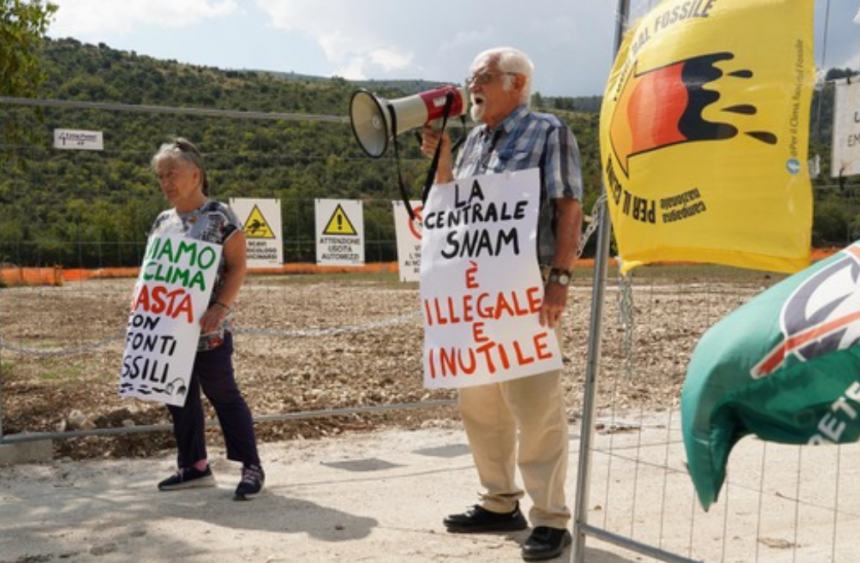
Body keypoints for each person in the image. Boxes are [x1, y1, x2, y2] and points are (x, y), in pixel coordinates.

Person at [421, 47, 583, 561]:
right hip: (474, 289)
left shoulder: (547, 131)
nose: (473, 85)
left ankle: (552, 518)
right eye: (471, 77)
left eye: (483, 77)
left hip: (526, 286)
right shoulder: (471, 142)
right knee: (481, 403)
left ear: (516, 83)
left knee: (535, 404)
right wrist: (444, 161)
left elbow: (569, 205)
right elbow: (453, 208)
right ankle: (498, 502)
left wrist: (558, 278)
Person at [148, 137, 265, 501]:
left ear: (196, 174)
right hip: (170, 330)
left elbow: (238, 266)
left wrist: (220, 308)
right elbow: (153, 272)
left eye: (173, 174)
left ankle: (251, 466)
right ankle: (194, 466)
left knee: (223, 393)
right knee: (177, 396)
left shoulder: (220, 217)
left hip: (209, 330)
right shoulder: (163, 221)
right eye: (160, 176)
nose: (166, 182)